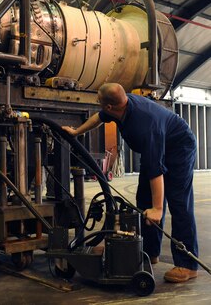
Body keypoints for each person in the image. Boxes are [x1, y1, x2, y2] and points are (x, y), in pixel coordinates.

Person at [62, 83, 198, 283]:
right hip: (157, 147)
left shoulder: (145, 123)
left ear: (110, 106)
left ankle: (187, 265)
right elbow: (99, 118)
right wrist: (76, 132)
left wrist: (158, 208)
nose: (100, 106)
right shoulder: (119, 106)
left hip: (179, 148)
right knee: (143, 199)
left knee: (179, 203)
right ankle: (150, 252)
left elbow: (155, 169)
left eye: (100, 102)